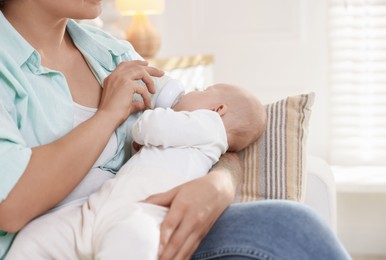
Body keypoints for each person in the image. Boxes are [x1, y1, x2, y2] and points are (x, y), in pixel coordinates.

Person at [0, 1, 351, 259]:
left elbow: (204, 127)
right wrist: (107, 115)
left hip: (147, 227)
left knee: (293, 227)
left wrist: (218, 185)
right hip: (57, 243)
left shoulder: (109, 51)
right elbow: (10, 205)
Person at [7, 83, 267, 259]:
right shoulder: (200, 134)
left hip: (141, 212)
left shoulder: (209, 126)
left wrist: (144, 123)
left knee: (135, 241)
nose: (192, 91)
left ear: (217, 109)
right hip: (98, 207)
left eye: (203, 89)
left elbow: (151, 127)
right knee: (37, 235)